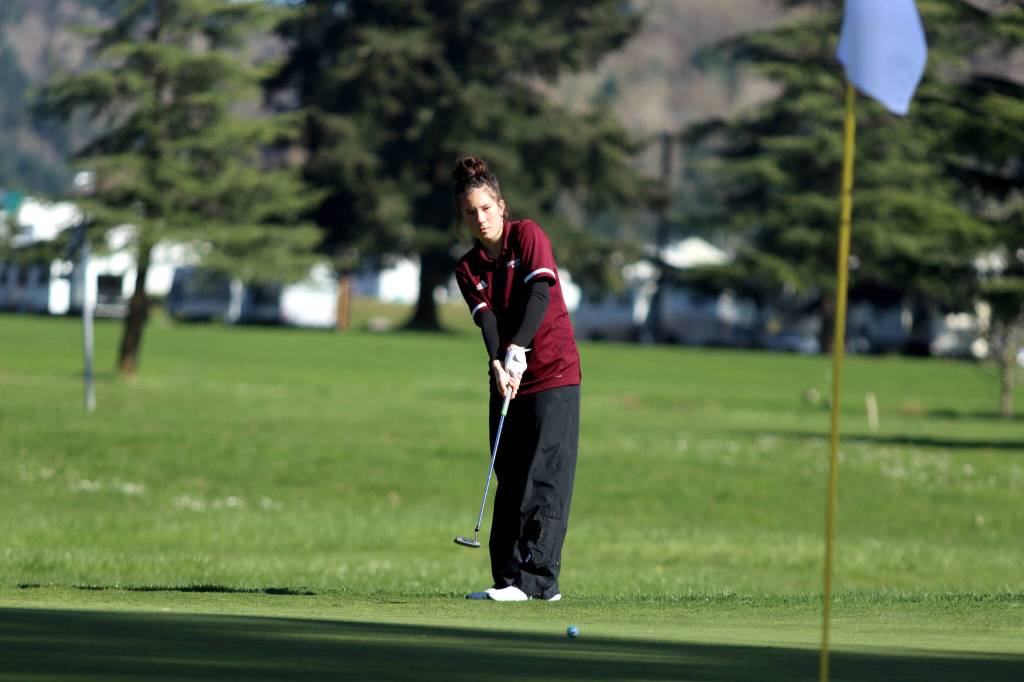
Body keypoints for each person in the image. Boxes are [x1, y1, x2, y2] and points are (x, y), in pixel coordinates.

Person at [452, 155, 582, 602]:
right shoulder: (467, 268)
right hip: (507, 375)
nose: (480, 218)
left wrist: (518, 346)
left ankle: (539, 581)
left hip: (552, 372)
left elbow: (539, 292)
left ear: (501, 207)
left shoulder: (528, 235)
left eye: (486, 208)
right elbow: (486, 319)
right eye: (470, 212)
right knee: (507, 473)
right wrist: (496, 360)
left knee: (544, 475)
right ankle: (507, 580)